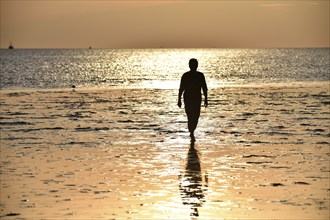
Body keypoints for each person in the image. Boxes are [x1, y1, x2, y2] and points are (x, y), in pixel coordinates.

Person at [178, 58, 208, 141]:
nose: (193, 66)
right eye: (192, 65)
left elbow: (204, 88)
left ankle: (192, 130)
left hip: (197, 98)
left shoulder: (200, 75)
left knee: (196, 116)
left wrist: (206, 99)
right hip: (188, 98)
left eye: (194, 64)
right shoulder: (185, 75)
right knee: (189, 115)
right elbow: (181, 88)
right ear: (189, 66)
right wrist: (179, 100)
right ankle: (191, 131)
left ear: (197, 66)